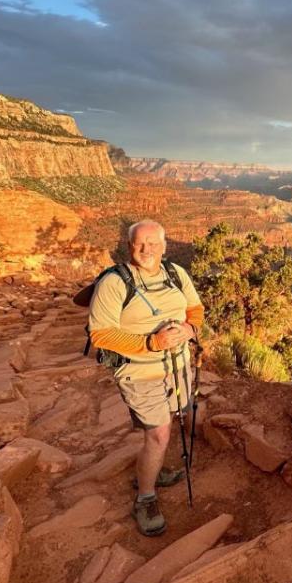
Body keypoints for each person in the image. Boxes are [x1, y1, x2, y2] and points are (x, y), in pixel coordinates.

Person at [88, 219, 204, 536]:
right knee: (159, 435)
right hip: (140, 372)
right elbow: (100, 335)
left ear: (164, 246)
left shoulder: (176, 274)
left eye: (153, 243)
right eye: (140, 243)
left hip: (178, 367)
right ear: (129, 246)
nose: (147, 249)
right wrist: (150, 343)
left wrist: (190, 330)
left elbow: (195, 309)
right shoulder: (113, 283)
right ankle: (145, 497)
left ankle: (151, 470)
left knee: (166, 424)